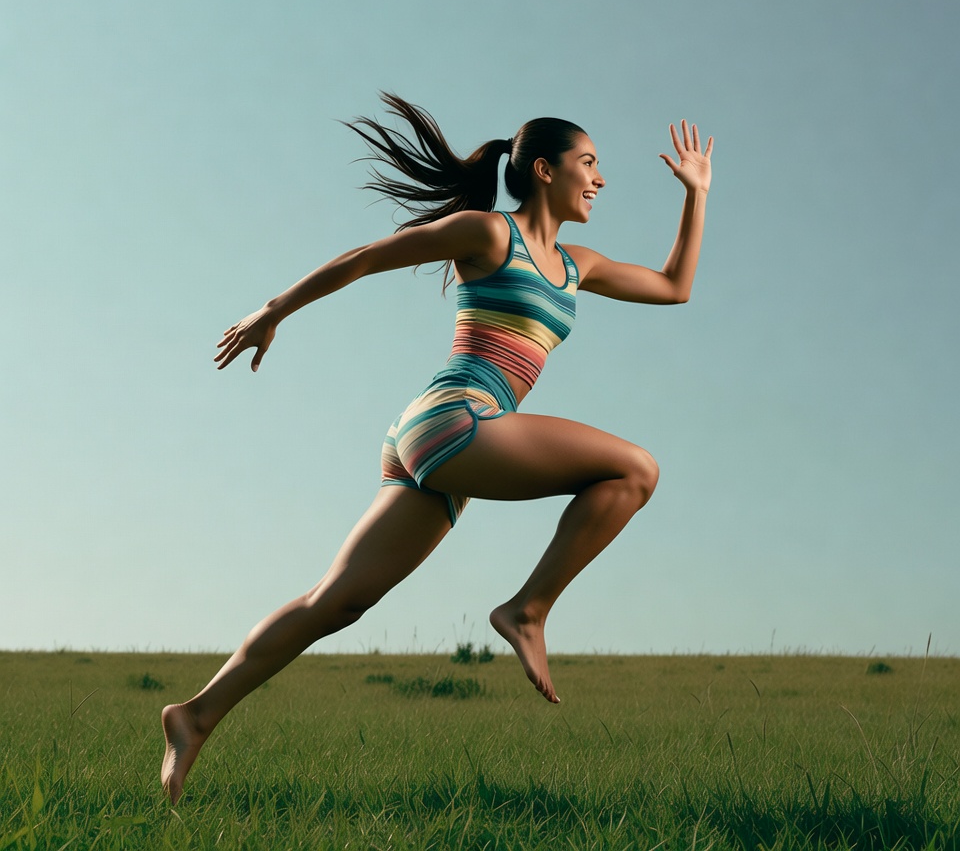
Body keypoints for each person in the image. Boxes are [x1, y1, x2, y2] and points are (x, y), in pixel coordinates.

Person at [161, 93, 713, 805]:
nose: (600, 178)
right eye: (589, 163)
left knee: (335, 603)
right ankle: (528, 610)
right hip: (458, 419)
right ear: (543, 171)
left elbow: (676, 287)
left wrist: (695, 195)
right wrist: (274, 311)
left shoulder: (580, 265)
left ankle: (195, 713)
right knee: (636, 468)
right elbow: (367, 257)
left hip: (437, 441)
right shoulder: (488, 234)